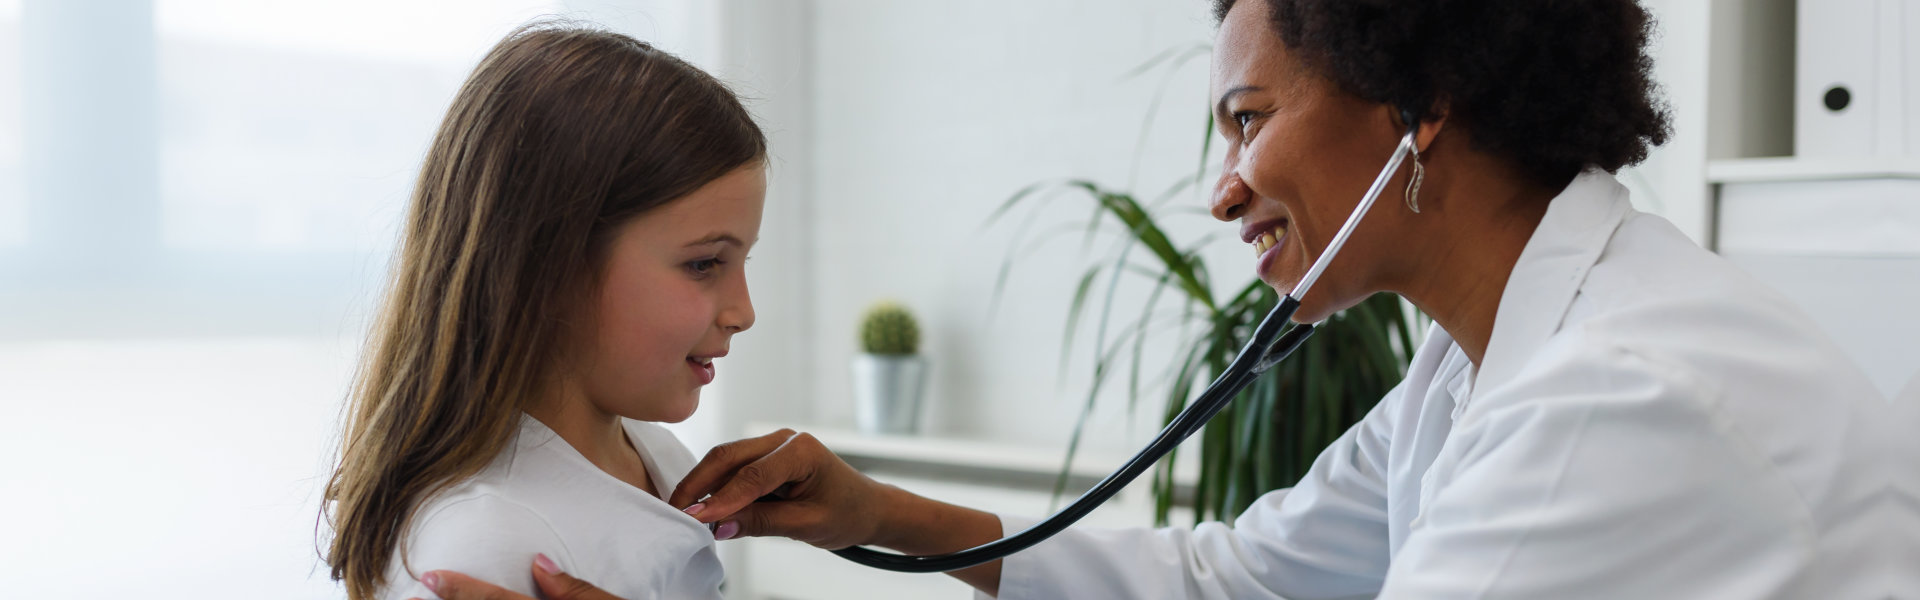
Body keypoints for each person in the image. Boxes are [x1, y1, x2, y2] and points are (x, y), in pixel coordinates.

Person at [412, 0, 1907, 598]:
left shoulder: (1618, 399)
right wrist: (893, 522)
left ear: (1420, 104)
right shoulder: (1493, 362)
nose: (1224, 188)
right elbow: (1247, 579)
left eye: (1249, 121)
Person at [320, 22, 767, 600]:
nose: (743, 312)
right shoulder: (485, 546)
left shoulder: (652, 455)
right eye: (705, 264)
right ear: (547, 262)